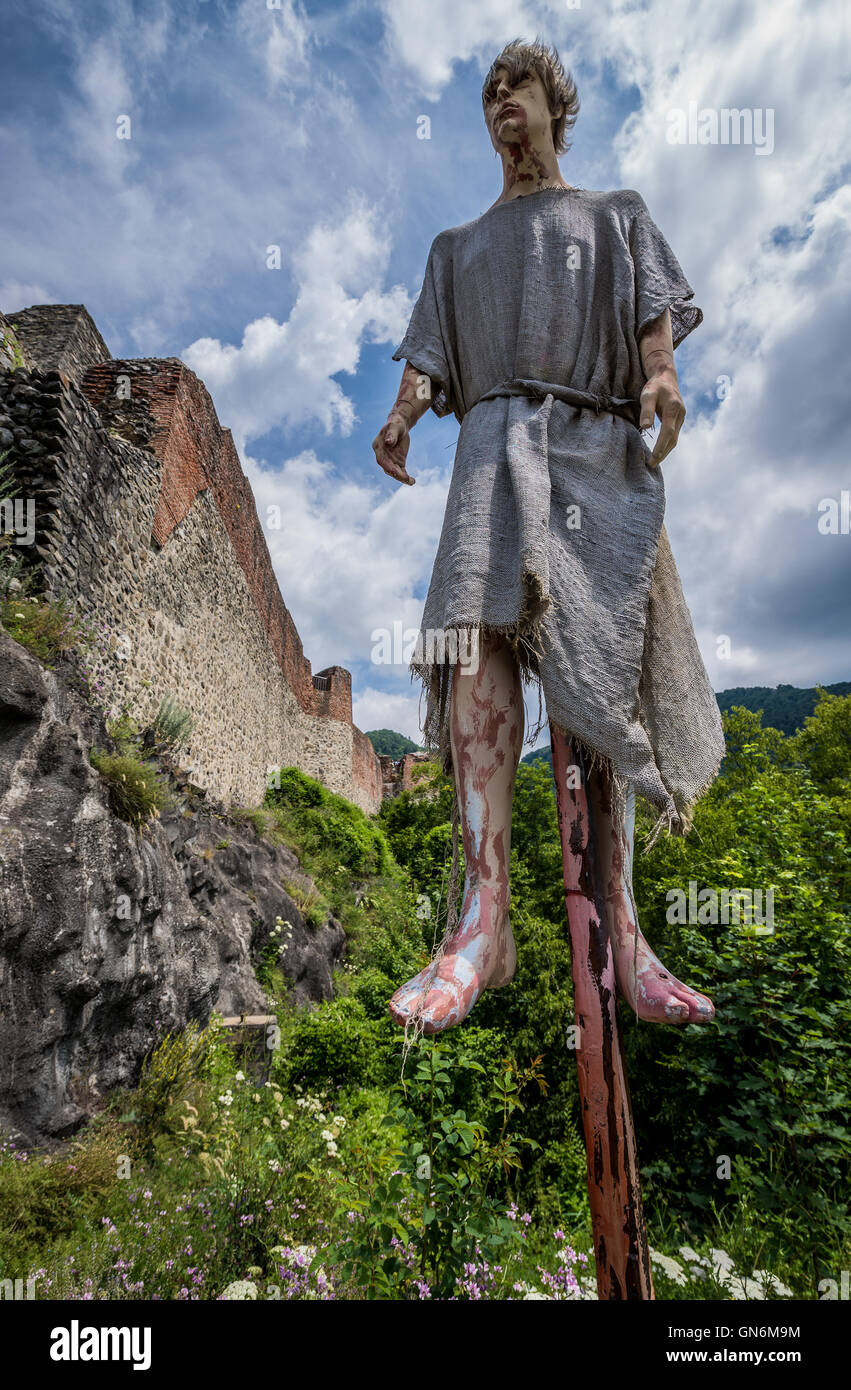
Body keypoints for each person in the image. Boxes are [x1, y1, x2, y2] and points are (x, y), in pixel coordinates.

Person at [371, 37, 725, 1037]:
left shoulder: (614, 217)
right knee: (474, 638)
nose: (498, 102)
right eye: (486, 90)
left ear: (551, 104)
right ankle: (482, 920)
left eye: (513, 85)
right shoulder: (455, 247)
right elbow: (429, 353)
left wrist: (658, 378)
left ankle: (622, 927)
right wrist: (402, 412)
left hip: (593, 447)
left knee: (601, 670)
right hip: (490, 446)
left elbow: (649, 322)